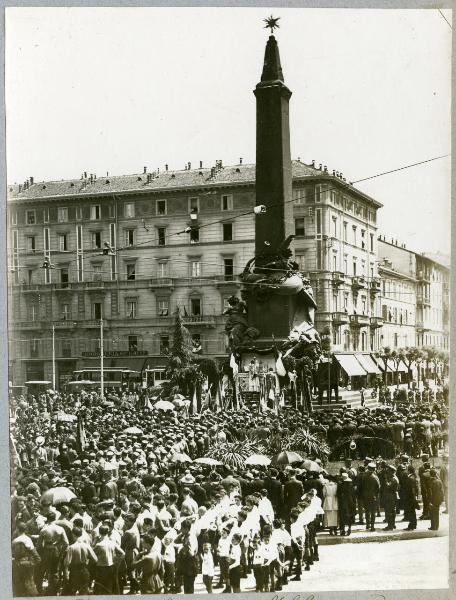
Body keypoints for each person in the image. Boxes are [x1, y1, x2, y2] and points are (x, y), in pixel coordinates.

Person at [362, 463, 380, 532]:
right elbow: (378, 487)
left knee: (367, 511)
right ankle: (372, 526)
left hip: (365, 496)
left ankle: (367, 524)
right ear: (374, 469)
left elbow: (362, 486)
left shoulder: (364, 476)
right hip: (373, 496)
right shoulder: (375, 477)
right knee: (373, 512)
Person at [383, 466, 399, 530]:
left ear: (391, 471)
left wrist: (386, 480)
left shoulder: (393, 479)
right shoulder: (395, 477)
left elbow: (388, 486)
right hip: (393, 496)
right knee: (392, 511)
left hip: (390, 496)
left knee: (389, 511)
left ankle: (390, 526)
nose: (388, 472)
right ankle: (393, 524)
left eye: (389, 470)